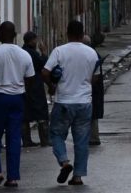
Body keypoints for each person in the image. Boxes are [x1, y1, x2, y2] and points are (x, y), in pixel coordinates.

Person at [43, 20, 101, 186]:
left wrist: (52, 87)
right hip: (84, 103)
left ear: (67, 33)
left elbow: (45, 72)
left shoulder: (59, 51)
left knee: (56, 134)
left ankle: (64, 162)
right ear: (83, 35)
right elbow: (95, 78)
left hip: (64, 102)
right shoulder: (92, 53)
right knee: (82, 141)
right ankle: (78, 176)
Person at [0, 21, 34, 188]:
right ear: (15, 35)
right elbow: (30, 80)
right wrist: (23, 95)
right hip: (17, 98)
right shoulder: (25, 55)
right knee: (13, 138)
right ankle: (12, 178)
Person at [21, 31, 49, 148]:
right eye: (35, 40)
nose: (37, 42)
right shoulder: (32, 53)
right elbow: (43, 65)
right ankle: (45, 140)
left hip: (23, 86)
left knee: (25, 114)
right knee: (41, 113)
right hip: (35, 86)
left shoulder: (22, 52)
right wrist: (44, 53)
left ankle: (27, 140)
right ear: (31, 41)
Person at [82, 34, 104, 147]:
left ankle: (93, 137)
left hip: (92, 89)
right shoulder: (92, 53)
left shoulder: (91, 54)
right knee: (91, 114)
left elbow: (94, 76)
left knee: (92, 114)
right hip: (92, 89)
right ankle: (92, 136)